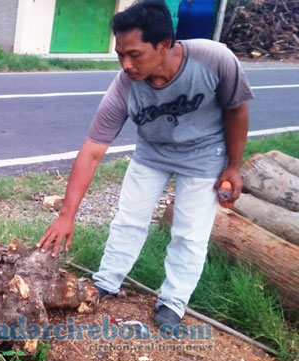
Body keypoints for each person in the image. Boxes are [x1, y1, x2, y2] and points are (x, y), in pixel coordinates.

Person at [36, 0, 253, 327]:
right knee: (128, 219)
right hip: (152, 152)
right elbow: (93, 150)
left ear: (163, 45)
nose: (125, 64)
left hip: (205, 154)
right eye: (120, 54)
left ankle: (173, 302)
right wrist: (67, 214)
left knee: (189, 234)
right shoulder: (125, 86)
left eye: (134, 54)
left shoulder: (214, 59)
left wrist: (233, 166)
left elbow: (237, 110)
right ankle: (106, 282)